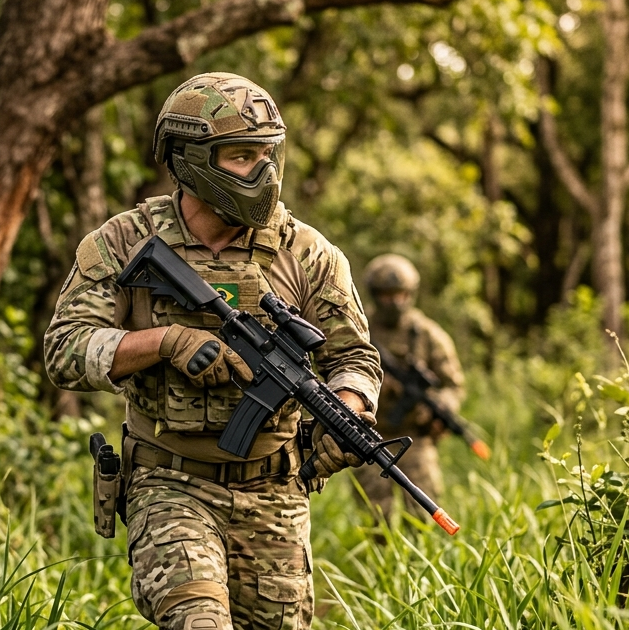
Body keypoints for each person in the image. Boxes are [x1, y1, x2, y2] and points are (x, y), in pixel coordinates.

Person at [44, 72, 382, 630]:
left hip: (274, 492)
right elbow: (64, 348)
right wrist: (165, 342)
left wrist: (346, 408)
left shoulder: (308, 252)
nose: (264, 172)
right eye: (243, 156)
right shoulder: (123, 242)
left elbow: (355, 358)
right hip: (169, 482)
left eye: (268, 154)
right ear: (190, 160)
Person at [353, 254, 465, 520]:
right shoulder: (359, 330)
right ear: (375, 294)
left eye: (400, 295)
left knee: (423, 514)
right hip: (370, 437)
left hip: (416, 437)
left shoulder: (427, 334)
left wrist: (440, 406)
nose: (395, 303)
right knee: (375, 517)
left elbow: (453, 385)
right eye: (387, 295)